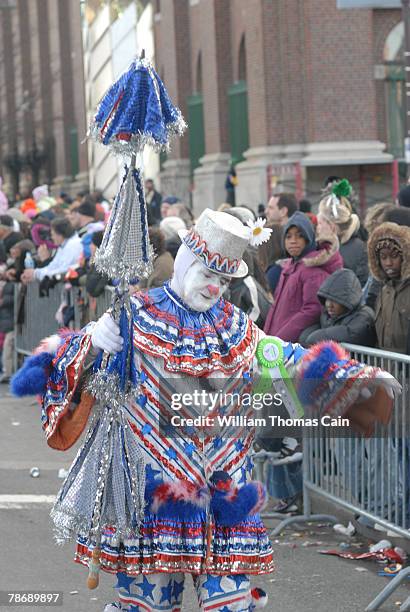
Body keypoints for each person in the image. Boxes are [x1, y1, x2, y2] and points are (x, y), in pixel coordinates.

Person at [15, 209, 400, 612]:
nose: (215, 288)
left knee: (230, 605)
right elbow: (57, 365)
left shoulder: (235, 326)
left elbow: (283, 357)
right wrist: (93, 341)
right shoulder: (136, 314)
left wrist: (352, 376)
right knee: (150, 605)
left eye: (222, 280)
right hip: (154, 492)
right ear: (184, 266)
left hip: (221, 489)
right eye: (206, 275)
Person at [264, 211, 343, 342]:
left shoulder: (313, 270)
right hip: (275, 344)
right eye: (288, 237)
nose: (293, 241)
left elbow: (312, 310)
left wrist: (280, 339)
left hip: (290, 346)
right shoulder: (289, 266)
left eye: (299, 236)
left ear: (309, 238)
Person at [299, 268, 376, 347]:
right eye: (327, 299)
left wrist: (312, 338)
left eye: (334, 300)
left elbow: (352, 333)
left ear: (347, 301)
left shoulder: (364, 316)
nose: (329, 305)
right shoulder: (328, 315)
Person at [367, 222, 410, 353]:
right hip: (386, 365)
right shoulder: (383, 290)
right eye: (383, 257)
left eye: (394, 256)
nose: (388, 263)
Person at [317, 179, 368, 286]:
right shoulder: (319, 246)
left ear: (331, 225)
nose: (317, 227)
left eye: (320, 223)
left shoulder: (356, 248)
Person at [20, 217, 82, 284]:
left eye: (53, 234)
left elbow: (63, 270)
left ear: (60, 234)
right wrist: (34, 272)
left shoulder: (73, 245)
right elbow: (53, 266)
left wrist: (36, 274)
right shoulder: (63, 246)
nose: (51, 238)